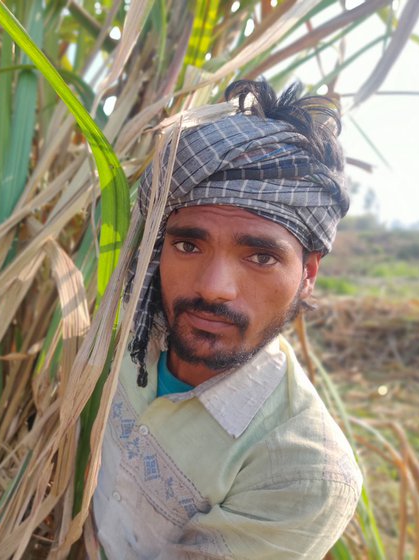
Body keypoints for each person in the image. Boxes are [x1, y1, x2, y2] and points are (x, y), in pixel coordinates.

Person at [90, 79, 362, 559]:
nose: (214, 287)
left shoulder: (302, 473)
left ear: (308, 273)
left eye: (260, 257)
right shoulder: (117, 340)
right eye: (188, 245)